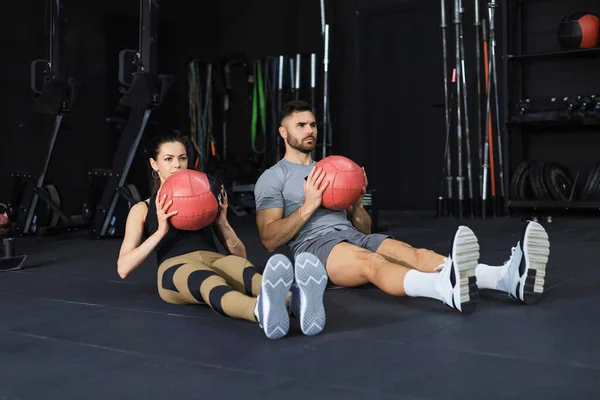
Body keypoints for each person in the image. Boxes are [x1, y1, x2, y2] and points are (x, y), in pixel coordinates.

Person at [254, 100, 551, 313]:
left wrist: (357, 204)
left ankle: (504, 279)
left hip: (353, 236)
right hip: (316, 249)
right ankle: (442, 289)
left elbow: (364, 227)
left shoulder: (333, 168)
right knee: (373, 264)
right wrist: (308, 206)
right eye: (301, 125)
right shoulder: (272, 178)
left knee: (413, 254)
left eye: (313, 124)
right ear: (283, 133)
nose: (310, 130)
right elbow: (269, 239)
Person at [117, 132, 328, 339]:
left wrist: (222, 221)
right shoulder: (143, 208)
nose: (177, 165)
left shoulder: (206, 197)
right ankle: (259, 310)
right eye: (168, 159)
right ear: (154, 164)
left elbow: (241, 255)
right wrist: (161, 231)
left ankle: (297, 303)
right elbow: (124, 268)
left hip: (214, 258)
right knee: (209, 282)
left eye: (182, 158)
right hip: (174, 268)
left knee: (242, 269)